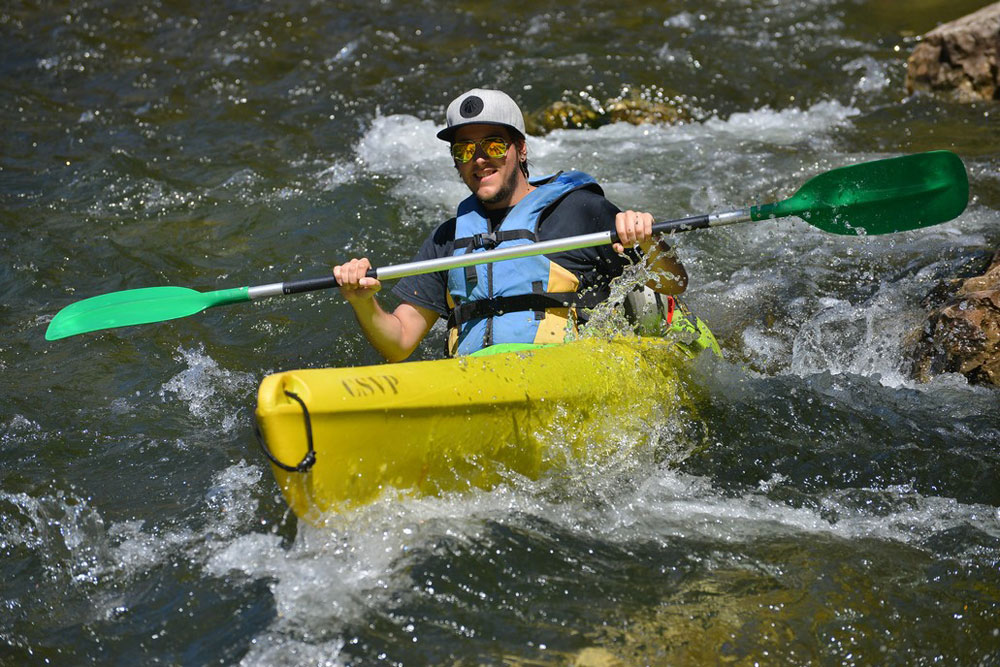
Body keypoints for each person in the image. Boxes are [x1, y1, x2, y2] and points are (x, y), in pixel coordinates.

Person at [333, 88, 687, 362]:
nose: (479, 159)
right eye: (464, 150)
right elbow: (399, 343)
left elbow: (673, 283)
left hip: (569, 372)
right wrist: (363, 302)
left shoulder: (580, 212)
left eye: (494, 145)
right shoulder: (447, 240)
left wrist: (647, 239)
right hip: (475, 379)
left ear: (521, 149)